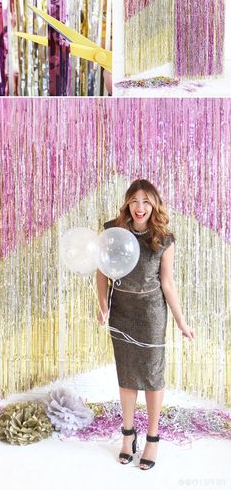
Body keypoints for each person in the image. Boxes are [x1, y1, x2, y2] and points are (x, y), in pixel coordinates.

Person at [96, 179, 195, 471]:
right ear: (128, 203)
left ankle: (153, 438)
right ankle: (127, 436)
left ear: (154, 205)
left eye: (146, 202)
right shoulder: (113, 231)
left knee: (152, 375)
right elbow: (102, 273)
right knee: (126, 374)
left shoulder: (163, 238)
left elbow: (167, 283)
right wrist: (103, 307)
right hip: (122, 310)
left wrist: (181, 322)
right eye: (135, 201)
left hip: (151, 312)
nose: (140, 208)